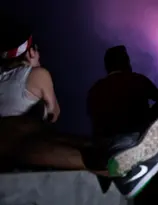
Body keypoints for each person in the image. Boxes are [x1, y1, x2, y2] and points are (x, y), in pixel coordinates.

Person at [0, 18, 106, 174]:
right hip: (27, 146)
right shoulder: (38, 75)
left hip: (10, 149)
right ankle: (114, 167)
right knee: (72, 145)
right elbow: (53, 113)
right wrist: (36, 69)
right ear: (31, 52)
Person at [87, 45, 158, 198]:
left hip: (102, 145)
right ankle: (154, 145)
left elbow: (94, 118)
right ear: (126, 62)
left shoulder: (95, 88)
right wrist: (154, 119)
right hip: (133, 138)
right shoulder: (138, 80)